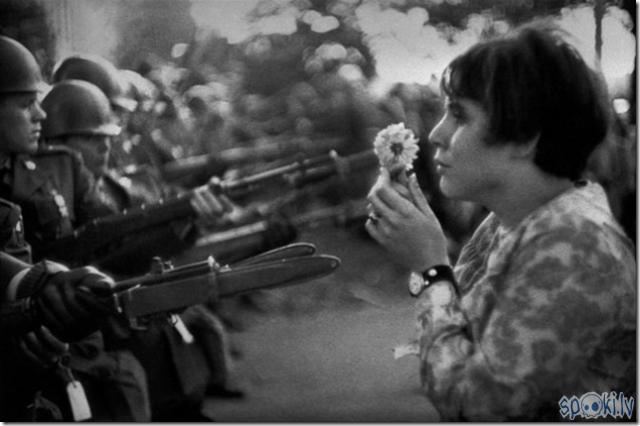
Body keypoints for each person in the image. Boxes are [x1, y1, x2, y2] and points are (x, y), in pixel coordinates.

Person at [365, 23, 636, 421]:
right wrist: (424, 247)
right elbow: (462, 336)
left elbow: (478, 406)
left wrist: (429, 270)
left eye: (459, 114)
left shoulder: (575, 242)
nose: (437, 134)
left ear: (526, 135)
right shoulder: (509, 222)